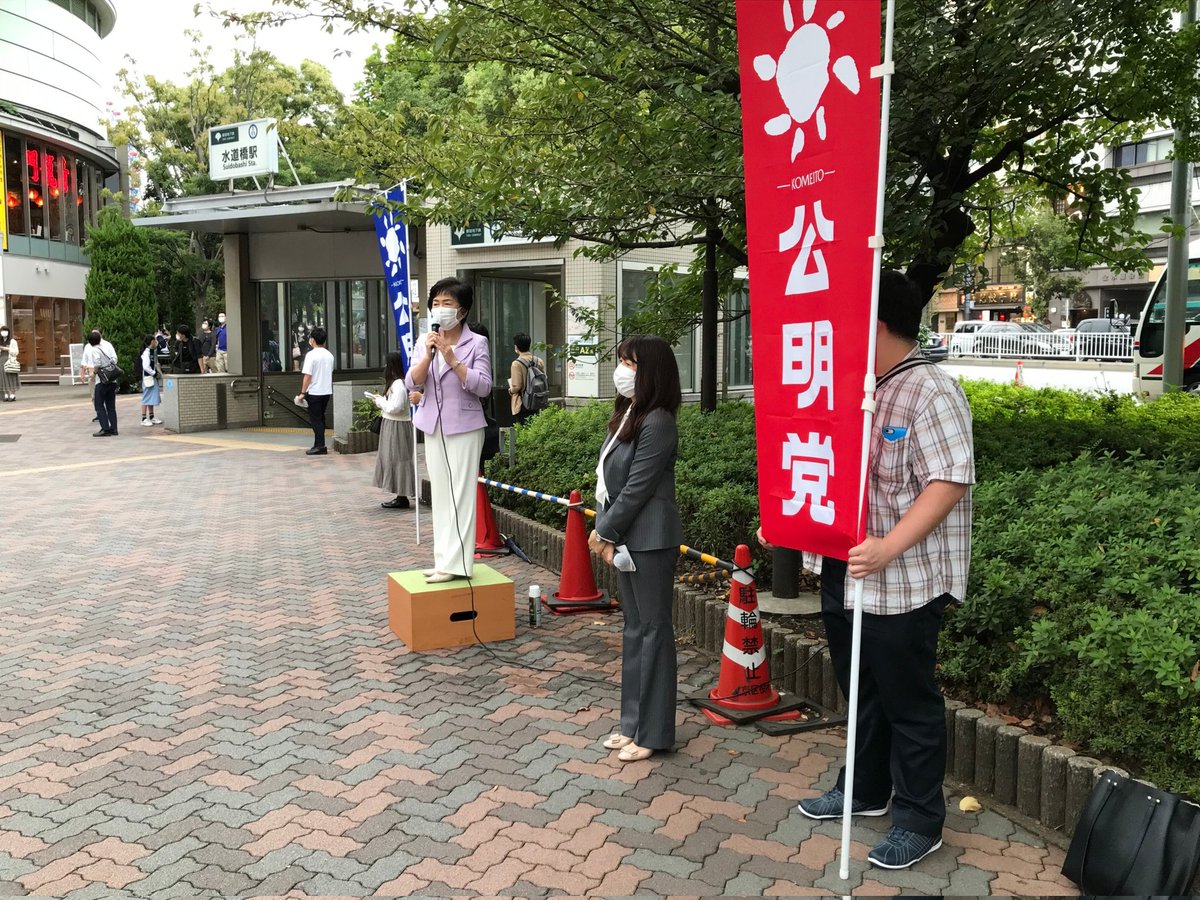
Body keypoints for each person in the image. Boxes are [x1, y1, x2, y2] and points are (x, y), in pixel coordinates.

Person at [785, 270, 975, 871]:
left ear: (879, 324)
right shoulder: (847, 387)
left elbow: (949, 480)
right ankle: (865, 789)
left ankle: (919, 818)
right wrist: (792, 523)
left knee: (907, 699)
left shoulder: (930, 391)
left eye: (848, 320)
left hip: (904, 580)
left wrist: (889, 546)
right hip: (843, 569)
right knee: (860, 687)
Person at [587, 336, 683, 763]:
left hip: (650, 540)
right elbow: (609, 481)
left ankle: (654, 732)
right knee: (634, 630)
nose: (622, 371)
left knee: (654, 631)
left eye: (631, 364)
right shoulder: (629, 412)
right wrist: (605, 528)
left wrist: (604, 532)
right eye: (622, 361)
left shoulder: (658, 421)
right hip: (628, 538)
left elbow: (638, 487)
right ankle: (632, 724)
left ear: (652, 373)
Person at [404, 277, 492, 583]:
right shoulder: (424, 341)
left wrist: (452, 359)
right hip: (433, 425)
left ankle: (459, 564)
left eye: (447, 303)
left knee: (461, 496)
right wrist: (429, 355)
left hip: (465, 426)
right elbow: (411, 382)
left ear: (462, 310)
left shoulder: (476, 343)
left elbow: (484, 386)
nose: (440, 309)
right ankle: (443, 561)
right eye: (436, 303)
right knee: (440, 494)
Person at [368, 351, 418, 509]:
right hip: (395, 424)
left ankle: (402, 496)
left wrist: (379, 402)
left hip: (396, 425)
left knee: (397, 458)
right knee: (396, 458)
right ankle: (400, 494)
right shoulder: (401, 382)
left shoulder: (398, 384)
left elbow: (396, 407)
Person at [298, 326, 334, 456]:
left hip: (314, 392)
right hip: (326, 391)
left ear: (312, 340)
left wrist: (302, 392)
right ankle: (319, 444)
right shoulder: (329, 355)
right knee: (321, 418)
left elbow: (307, 376)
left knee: (316, 420)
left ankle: (320, 446)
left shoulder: (311, 355)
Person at [80, 329, 119, 436]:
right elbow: (114, 359)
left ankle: (105, 429)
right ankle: (114, 428)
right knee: (111, 406)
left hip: (101, 381)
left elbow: (97, 364)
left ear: (90, 342)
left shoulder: (94, 350)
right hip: (112, 379)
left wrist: (94, 373)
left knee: (99, 405)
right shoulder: (107, 346)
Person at [508, 332, 546, 426]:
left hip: (522, 403)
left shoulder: (516, 364)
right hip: (536, 401)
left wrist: (510, 390)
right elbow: (544, 378)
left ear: (516, 347)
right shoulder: (539, 361)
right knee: (534, 428)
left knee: (522, 428)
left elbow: (517, 386)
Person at [139, 334, 163, 426]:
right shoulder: (146, 353)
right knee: (146, 397)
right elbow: (146, 366)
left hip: (151, 377)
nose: (156, 342)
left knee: (151, 397)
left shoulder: (151, 351)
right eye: (155, 340)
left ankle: (152, 417)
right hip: (148, 378)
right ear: (152, 341)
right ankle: (144, 418)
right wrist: (154, 373)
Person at [0, 324, 19, 402]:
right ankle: (6, 394)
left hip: (10, 360)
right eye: (2, 331)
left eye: (5, 331)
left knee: (11, 376)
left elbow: (16, 352)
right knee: (3, 377)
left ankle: (12, 394)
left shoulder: (12, 341)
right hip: (1, 360)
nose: (4, 332)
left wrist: (6, 349)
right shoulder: (0, 341)